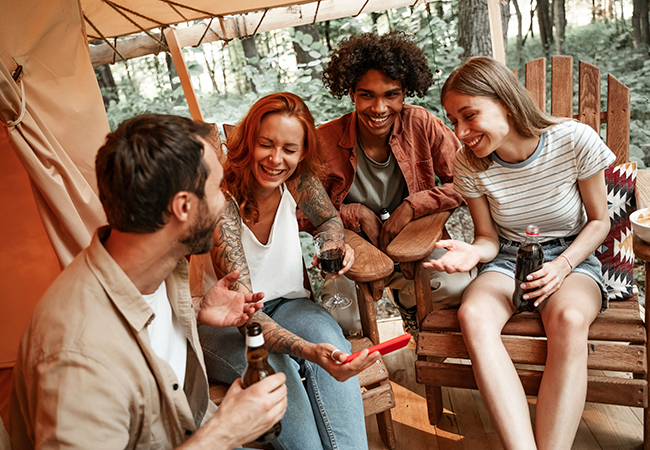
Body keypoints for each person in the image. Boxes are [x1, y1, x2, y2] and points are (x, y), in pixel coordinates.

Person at [10, 114, 288, 450]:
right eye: (217, 189)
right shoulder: (78, 357)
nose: (225, 201)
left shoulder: (155, 263)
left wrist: (195, 309)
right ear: (183, 207)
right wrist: (223, 434)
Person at [425, 56, 615, 450]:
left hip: (570, 255)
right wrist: (474, 254)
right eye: (453, 120)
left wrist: (563, 266)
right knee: (473, 315)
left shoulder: (574, 139)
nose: (460, 132)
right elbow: (487, 238)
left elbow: (599, 222)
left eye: (469, 115)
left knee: (569, 316)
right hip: (507, 258)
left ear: (505, 102)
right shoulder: (469, 163)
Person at [193, 92, 378, 450]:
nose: (276, 159)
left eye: (289, 149)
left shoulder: (297, 181)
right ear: (248, 141)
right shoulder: (222, 203)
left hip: (290, 305)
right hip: (226, 323)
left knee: (330, 338)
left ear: (303, 152)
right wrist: (310, 352)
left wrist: (331, 244)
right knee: (283, 369)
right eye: (266, 144)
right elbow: (247, 316)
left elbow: (328, 219)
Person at [315, 31, 475, 335]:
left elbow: (467, 182)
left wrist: (414, 206)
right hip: (354, 254)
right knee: (341, 320)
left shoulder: (423, 124)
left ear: (404, 93)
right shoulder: (324, 141)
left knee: (457, 288)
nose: (379, 108)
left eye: (391, 94)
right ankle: (363, 375)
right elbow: (301, 211)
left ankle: (411, 307)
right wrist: (355, 214)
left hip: (417, 244)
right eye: (367, 95)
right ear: (351, 93)